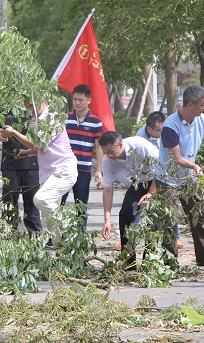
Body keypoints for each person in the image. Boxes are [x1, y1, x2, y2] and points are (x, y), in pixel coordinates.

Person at [155, 85, 204, 267]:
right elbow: (177, 158)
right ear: (190, 105)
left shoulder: (202, 120)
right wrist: (194, 166)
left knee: (199, 215)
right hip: (168, 179)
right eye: (201, 105)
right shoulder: (170, 125)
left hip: (189, 178)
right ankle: (170, 262)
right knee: (169, 220)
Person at [0, 100, 78, 247]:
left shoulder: (51, 117)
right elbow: (39, 148)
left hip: (63, 170)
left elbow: (36, 143)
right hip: (50, 174)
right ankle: (63, 252)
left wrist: (14, 132)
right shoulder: (38, 120)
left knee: (40, 199)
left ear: (42, 101)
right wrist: (26, 153)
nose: (31, 109)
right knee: (50, 220)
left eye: (32, 105)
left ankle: (69, 227)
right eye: (28, 106)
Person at [99, 132, 159, 264]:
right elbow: (108, 190)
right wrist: (107, 220)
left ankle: (149, 261)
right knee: (125, 213)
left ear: (120, 145)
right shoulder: (107, 161)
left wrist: (151, 194)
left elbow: (160, 169)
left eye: (110, 152)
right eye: (105, 153)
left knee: (154, 217)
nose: (108, 155)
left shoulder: (140, 145)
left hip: (159, 180)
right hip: (139, 181)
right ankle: (129, 260)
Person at [136, 111, 183, 249]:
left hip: (165, 173)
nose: (161, 132)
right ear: (149, 129)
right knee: (141, 204)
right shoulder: (141, 138)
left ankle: (176, 237)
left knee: (170, 206)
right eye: (158, 130)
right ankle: (133, 235)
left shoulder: (165, 134)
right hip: (147, 174)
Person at [0, 115, 43, 235]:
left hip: (32, 164)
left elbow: (44, 135)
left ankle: (35, 234)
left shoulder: (34, 111)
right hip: (10, 164)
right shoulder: (3, 112)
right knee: (9, 202)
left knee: (32, 202)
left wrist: (36, 126)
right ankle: (8, 233)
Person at [61, 84, 104, 226]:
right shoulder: (64, 119)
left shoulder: (96, 123)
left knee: (81, 206)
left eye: (81, 100)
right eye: (75, 99)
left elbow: (98, 148)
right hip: (64, 168)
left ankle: (80, 234)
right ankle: (56, 234)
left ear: (89, 100)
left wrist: (98, 170)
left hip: (83, 170)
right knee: (58, 204)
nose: (77, 103)